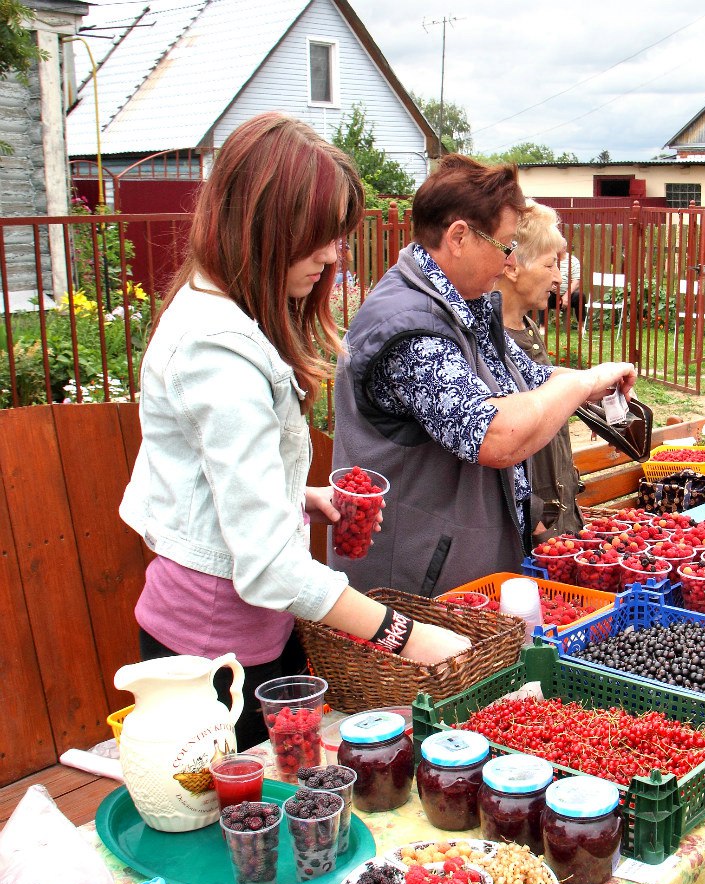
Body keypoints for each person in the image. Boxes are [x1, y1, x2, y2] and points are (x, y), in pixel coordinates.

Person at [118, 114, 471, 748]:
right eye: (320, 237)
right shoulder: (217, 350)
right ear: (262, 228)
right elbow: (270, 569)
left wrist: (295, 499)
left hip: (253, 635)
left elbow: (206, 475)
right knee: (242, 821)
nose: (335, 255)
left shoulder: (221, 313)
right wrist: (409, 637)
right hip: (211, 656)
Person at [331, 155, 635, 596]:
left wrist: (591, 381)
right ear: (458, 237)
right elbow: (494, 436)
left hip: (460, 575)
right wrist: (579, 384)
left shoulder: (459, 304)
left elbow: (525, 376)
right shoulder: (408, 327)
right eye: (506, 244)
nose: (509, 260)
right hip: (414, 594)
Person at [493, 203, 584, 541]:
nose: (559, 278)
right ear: (512, 267)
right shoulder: (492, 340)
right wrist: (536, 523)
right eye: (550, 264)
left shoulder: (527, 327)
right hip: (533, 532)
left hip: (558, 521)